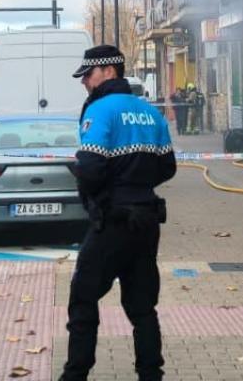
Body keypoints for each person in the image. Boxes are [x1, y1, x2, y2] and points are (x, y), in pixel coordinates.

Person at [62, 45, 175, 381]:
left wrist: (96, 185)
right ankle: (151, 374)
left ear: (109, 71)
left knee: (83, 297)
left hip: (112, 220)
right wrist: (138, 184)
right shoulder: (149, 111)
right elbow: (167, 167)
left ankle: (75, 374)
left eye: (88, 74)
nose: (84, 82)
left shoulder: (100, 110)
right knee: (142, 306)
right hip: (146, 220)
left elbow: (92, 168)